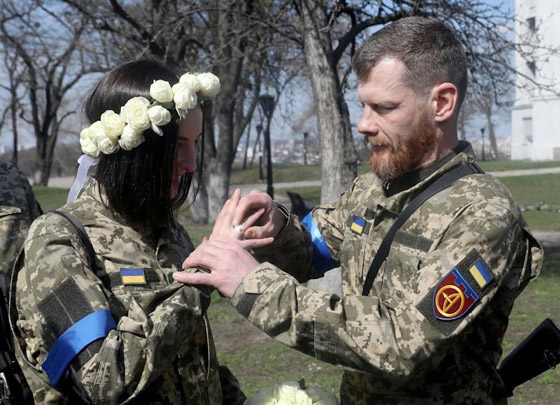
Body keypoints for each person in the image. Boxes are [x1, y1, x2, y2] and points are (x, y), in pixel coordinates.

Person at [173, 17, 544, 404]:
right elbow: (311, 254)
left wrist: (253, 284)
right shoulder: (372, 187)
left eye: (384, 107)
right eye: (363, 106)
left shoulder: (484, 214)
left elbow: (401, 344)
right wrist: (276, 226)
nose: (364, 125)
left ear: (442, 103)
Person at [11, 60, 268, 404]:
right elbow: (104, 379)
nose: (192, 162)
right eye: (177, 145)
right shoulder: (56, 240)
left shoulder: (169, 230)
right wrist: (199, 280)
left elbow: (193, 356)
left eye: (196, 143)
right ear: (134, 149)